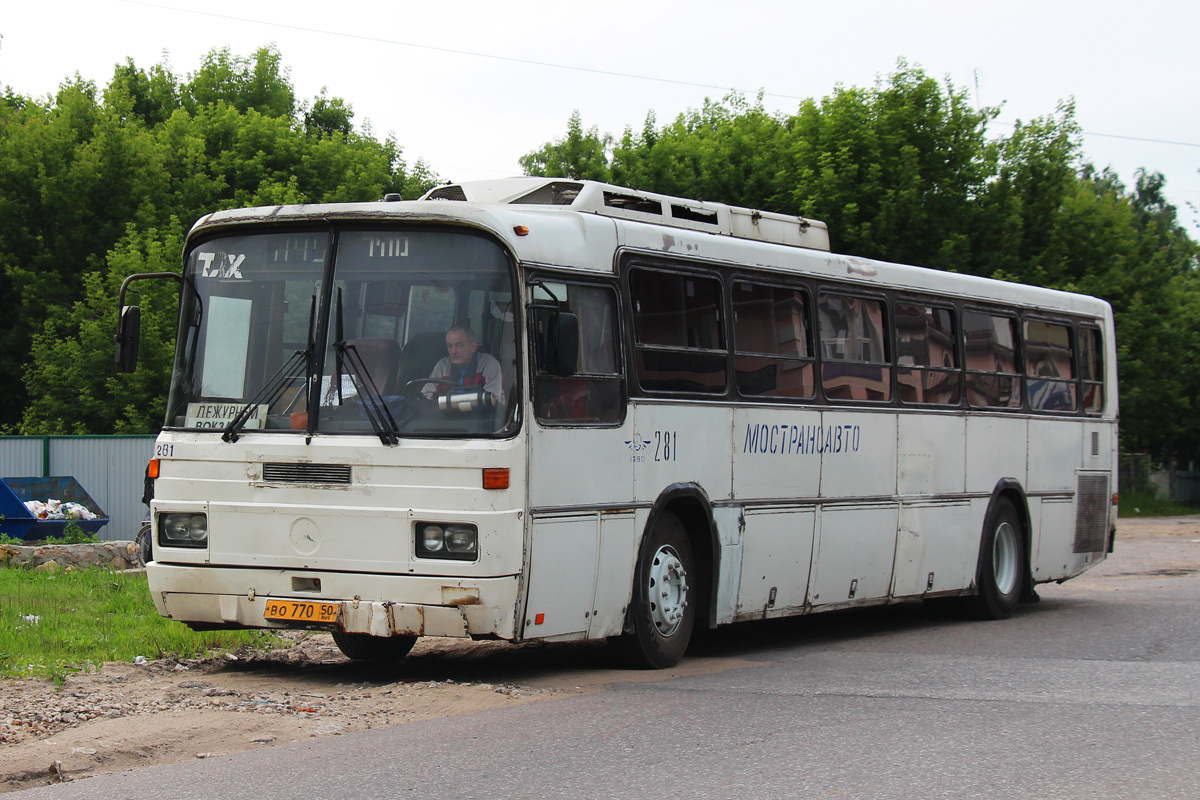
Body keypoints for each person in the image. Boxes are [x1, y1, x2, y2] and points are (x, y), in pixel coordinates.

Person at [425, 325, 503, 405]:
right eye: (450, 346)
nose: (453, 351)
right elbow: (424, 397)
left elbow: (492, 401)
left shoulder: (488, 364)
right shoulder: (443, 366)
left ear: (473, 347)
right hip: (446, 416)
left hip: (479, 417)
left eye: (460, 345)